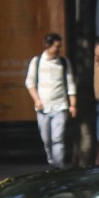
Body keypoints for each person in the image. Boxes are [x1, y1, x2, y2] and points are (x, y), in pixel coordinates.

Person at [25, 32, 77, 168]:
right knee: (46, 139)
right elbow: (30, 83)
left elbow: (70, 83)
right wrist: (37, 100)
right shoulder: (37, 62)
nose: (59, 49)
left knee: (58, 138)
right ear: (48, 46)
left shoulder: (64, 62)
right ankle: (51, 160)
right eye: (57, 46)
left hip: (60, 106)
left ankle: (58, 166)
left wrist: (73, 104)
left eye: (60, 46)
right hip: (43, 108)